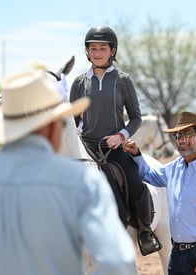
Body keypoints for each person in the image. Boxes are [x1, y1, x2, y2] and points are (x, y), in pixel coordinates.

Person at [0, 68, 139, 274]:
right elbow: (118, 262)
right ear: (52, 127)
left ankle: (145, 227)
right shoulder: (83, 181)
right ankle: (144, 227)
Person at [69, 25, 161, 256]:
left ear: (113, 51)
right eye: (93, 48)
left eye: (102, 48)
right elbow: (73, 118)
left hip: (114, 146)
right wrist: (80, 134)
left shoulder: (123, 80)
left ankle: (145, 230)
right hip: (87, 147)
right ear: (87, 51)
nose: (97, 52)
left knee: (134, 180)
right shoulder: (79, 83)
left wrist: (120, 136)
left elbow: (136, 118)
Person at [123, 111, 196, 275]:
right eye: (178, 136)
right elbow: (149, 175)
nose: (181, 140)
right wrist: (136, 153)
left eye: (187, 134)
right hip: (177, 255)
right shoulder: (174, 168)